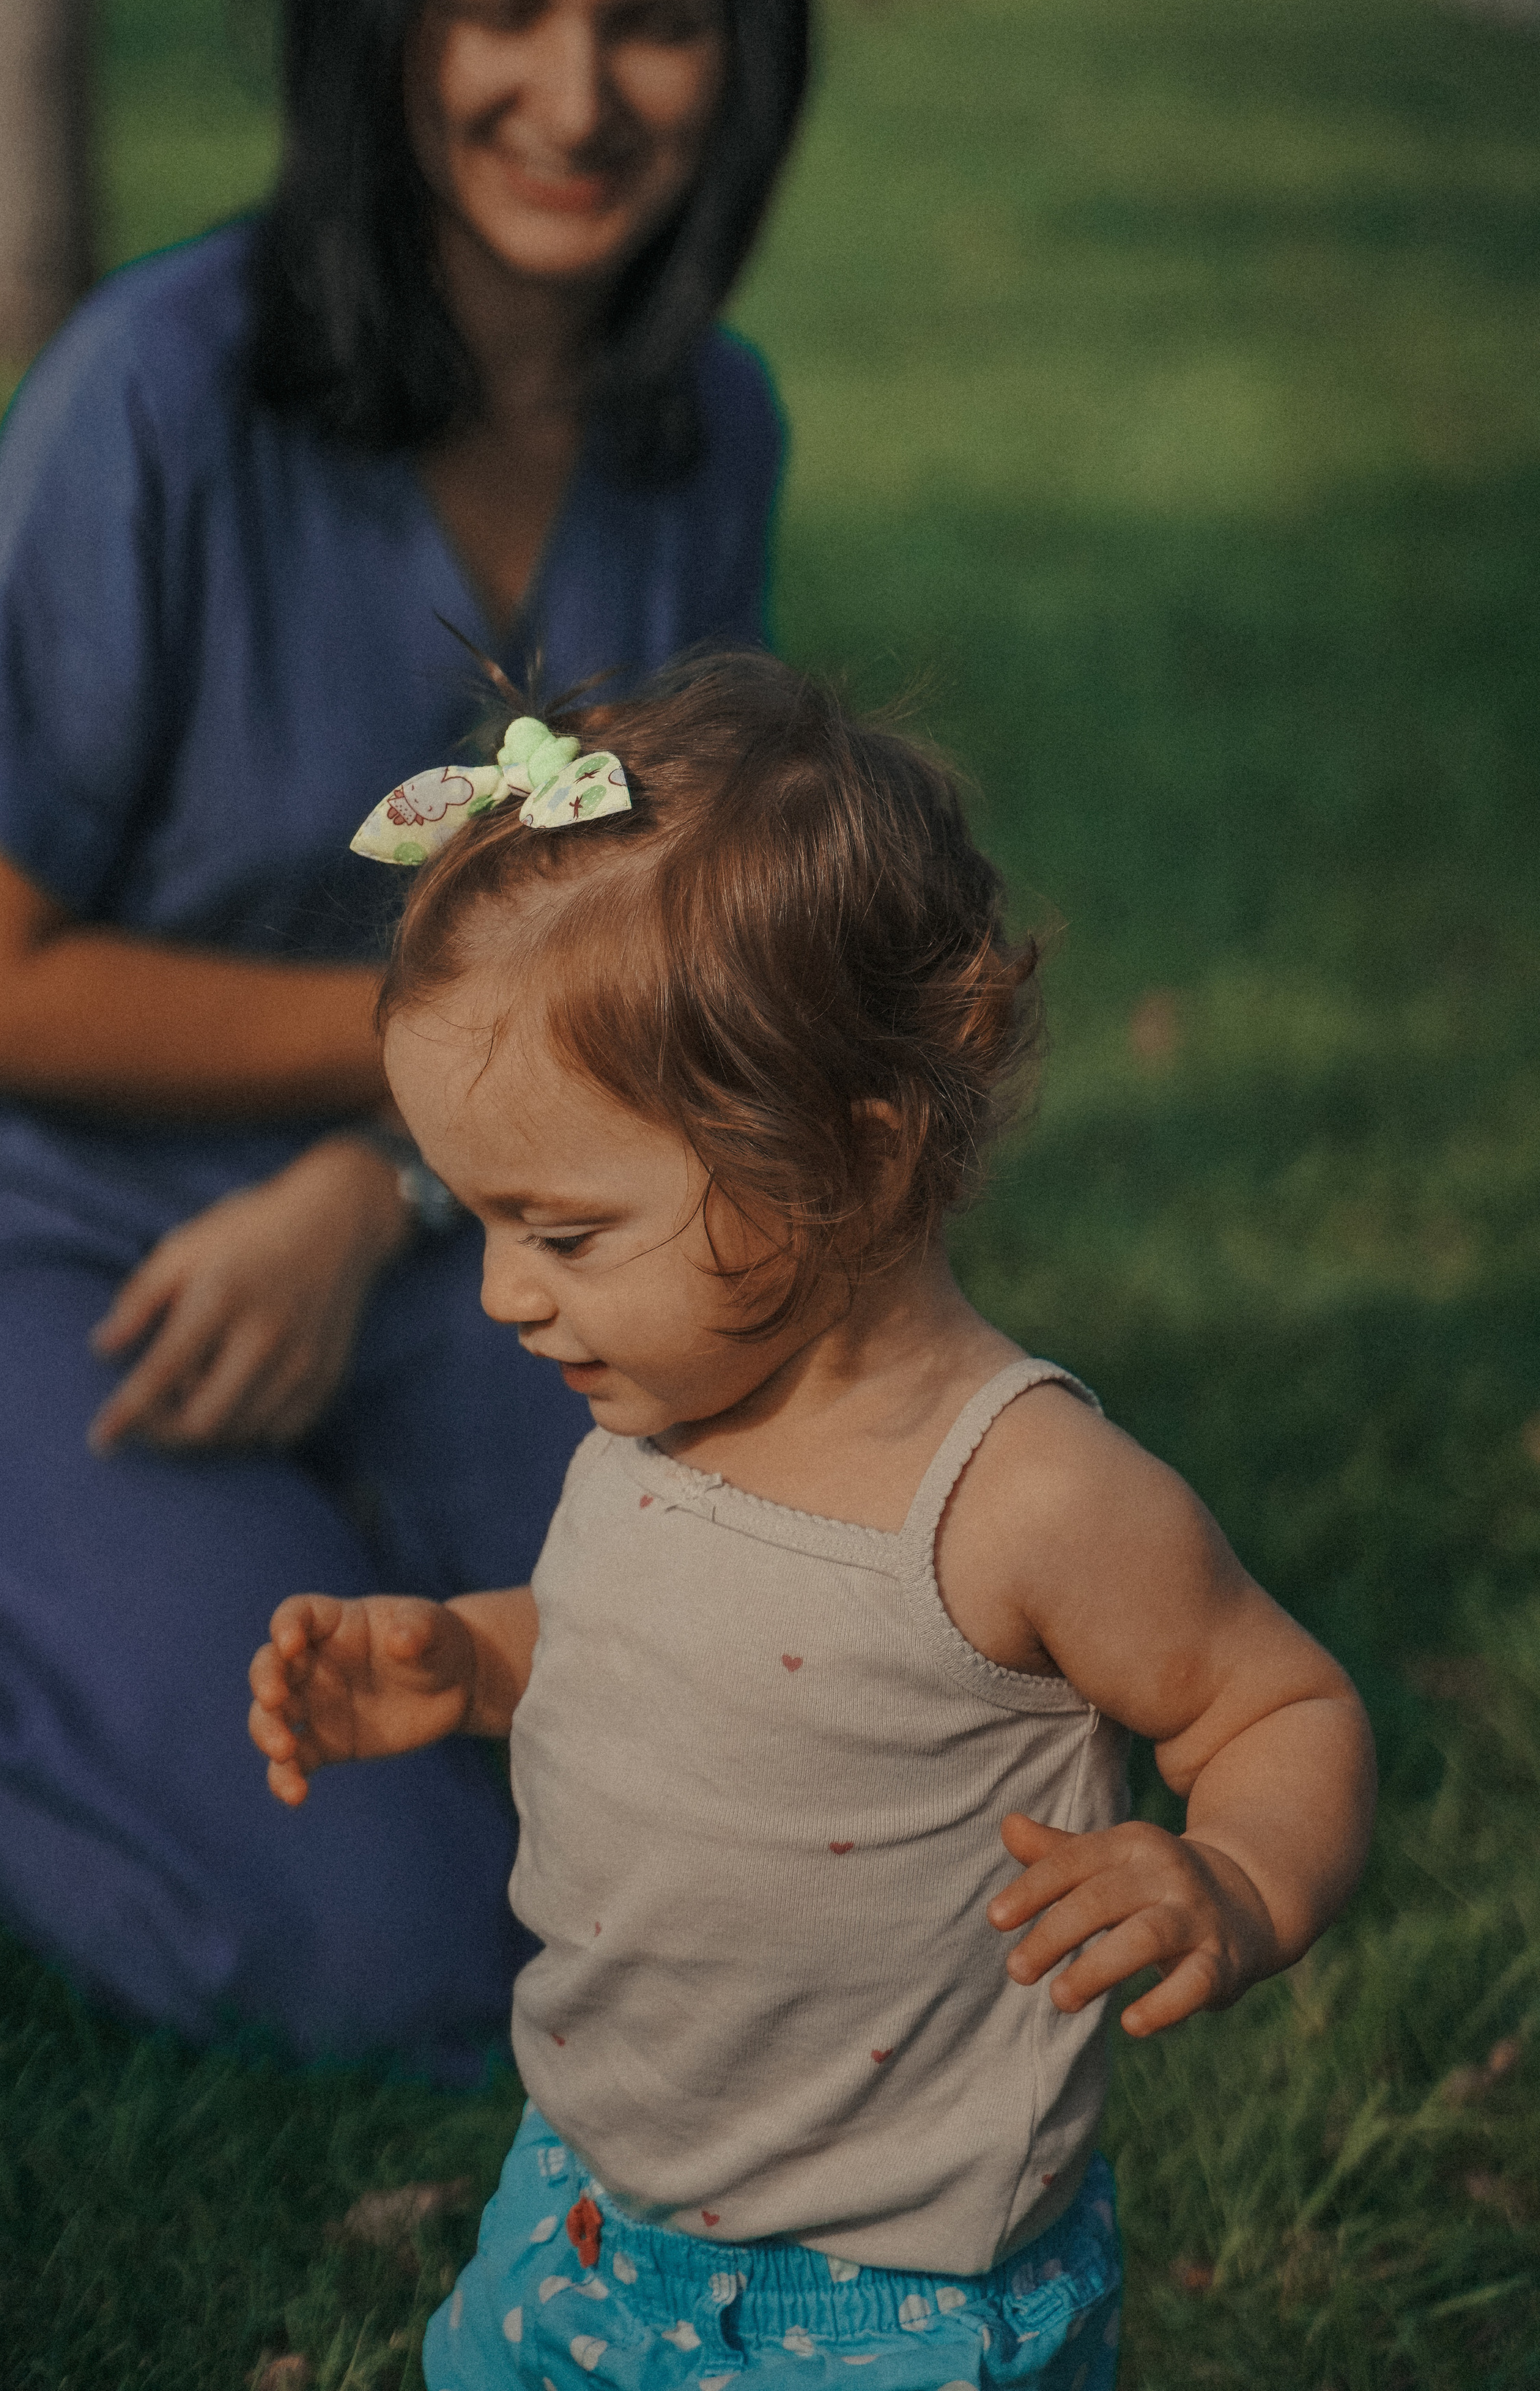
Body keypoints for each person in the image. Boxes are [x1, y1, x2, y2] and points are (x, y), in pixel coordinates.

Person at [0, 0, 809, 2076]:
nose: (573, 99)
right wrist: (428, 1089)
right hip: (16, 1209)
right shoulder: (157, 392)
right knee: (395, 1952)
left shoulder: (713, 435)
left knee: (733, 1805)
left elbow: (637, 937)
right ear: (399, 10)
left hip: (423, 1213)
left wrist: (368, 1177)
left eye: (653, 24)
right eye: (503, 7)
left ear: (747, 46)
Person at [248, 653, 1377, 2387]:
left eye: (559, 1234)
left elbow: (1276, 1708)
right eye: (477, 1223)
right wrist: (471, 1661)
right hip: (584, 2204)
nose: (498, 1298)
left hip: (886, 2305)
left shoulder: (1021, 1496)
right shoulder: (652, 1407)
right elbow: (661, 1646)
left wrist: (1225, 1878)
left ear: (845, 1162)